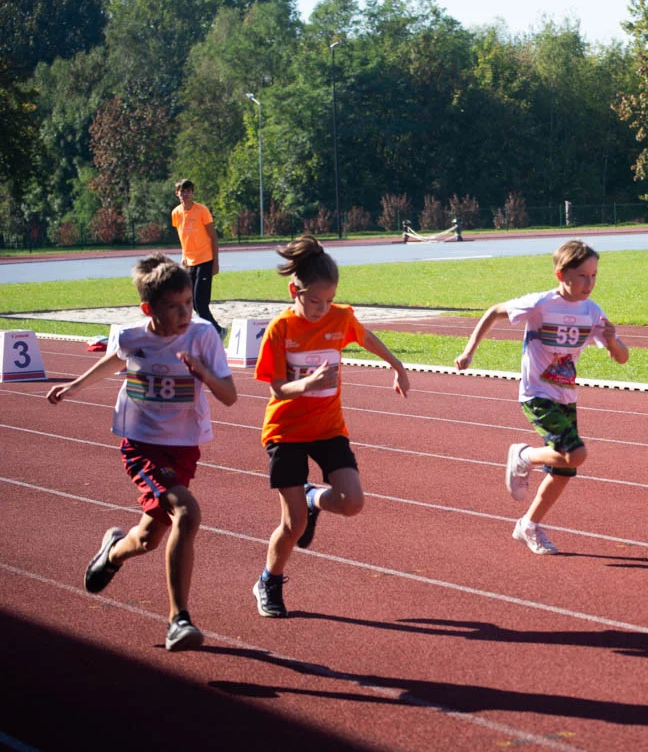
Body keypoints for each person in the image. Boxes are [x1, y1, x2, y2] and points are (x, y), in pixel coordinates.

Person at [46, 253, 237, 650]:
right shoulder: (132, 336)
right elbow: (111, 362)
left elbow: (230, 396)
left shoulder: (202, 337)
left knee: (150, 538)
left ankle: (112, 552)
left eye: (189, 302)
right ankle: (178, 620)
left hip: (183, 449)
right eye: (174, 306)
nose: (186, 312)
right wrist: (73, 388)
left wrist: (203, 373)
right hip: (142, 446)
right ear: (148, 309)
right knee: (188, 512)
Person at [253, 234, 411, 618]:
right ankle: (268, 581)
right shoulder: (280, 329)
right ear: (294, 290)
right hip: (286, 431)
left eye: (328, 301)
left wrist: (397, 365)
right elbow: (276, 387)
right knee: (293, 526)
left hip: (327, 428)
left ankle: (313, 496)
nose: (321, 310)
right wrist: (306, 384)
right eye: (313, 301)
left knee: (353, 503)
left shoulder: (340, 318)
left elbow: (365, 336)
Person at [454, 239, 630, 554]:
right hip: (536, 393)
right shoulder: (540, 305)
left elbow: (622, 358)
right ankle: (523, 456)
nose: (589, 283)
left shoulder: (592, 312)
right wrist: (469, 351)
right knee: (576, 454)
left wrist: (613, 341)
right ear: (561, 275)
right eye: (582, 276)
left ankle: (528, 525)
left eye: (594, 276)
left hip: (566, 395)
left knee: (563, 470)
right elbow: (494, 311)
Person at [171, 178, 222, 336]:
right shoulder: (176, 213)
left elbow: (213, 237)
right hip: (189, 262)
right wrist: (183, 256)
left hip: (205, 259)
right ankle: (210, 332)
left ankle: (217, 331)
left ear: (192, 193)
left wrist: (215, 262)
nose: (185, 194)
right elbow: (183, 237)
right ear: (177, 193)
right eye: (182, 191)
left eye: (188, 191)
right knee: (191, 302)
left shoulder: (202, 211)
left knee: (201, 302)